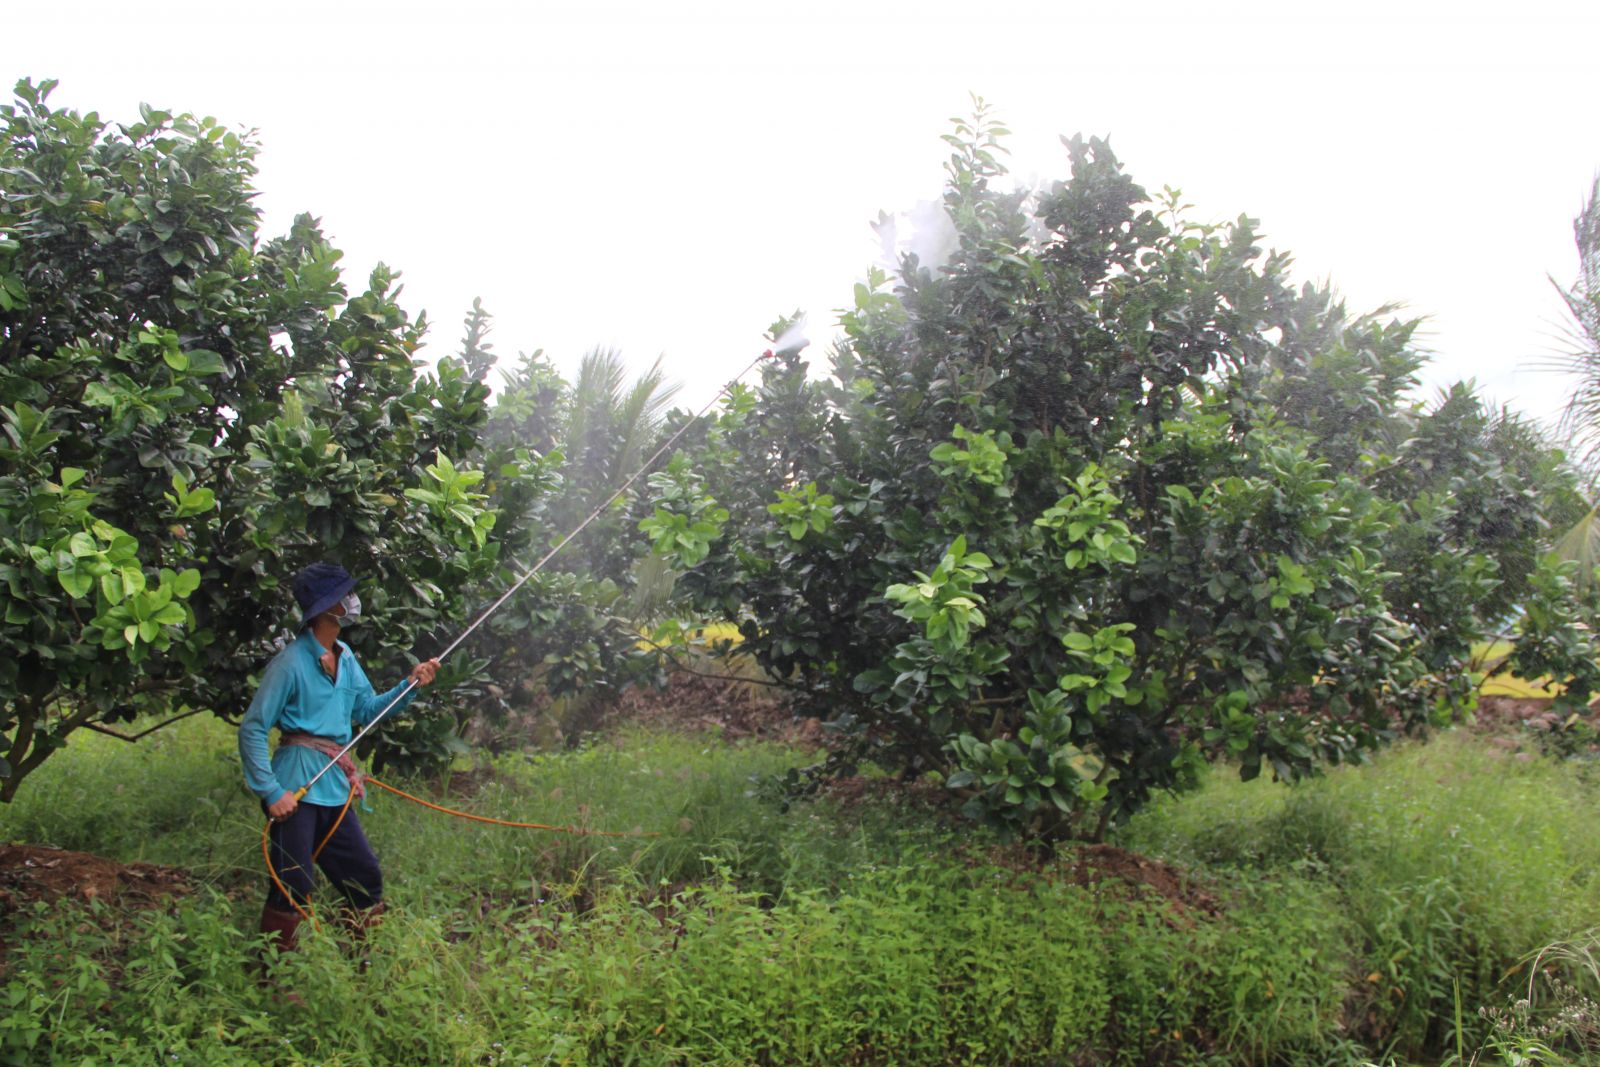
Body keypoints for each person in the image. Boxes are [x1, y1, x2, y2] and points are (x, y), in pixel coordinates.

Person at [238, 561, 440, 953]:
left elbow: (366, 709)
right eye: (345, 596)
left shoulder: (345, 656)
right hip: (296, 787)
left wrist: (411, 684)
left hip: (334, 786)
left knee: (363, 878)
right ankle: (275, 978)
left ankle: (364, 968)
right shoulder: (291, 663)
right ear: (327, 607)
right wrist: (270, 791)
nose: (353, 601)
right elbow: (253, 727)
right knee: (291, 883)